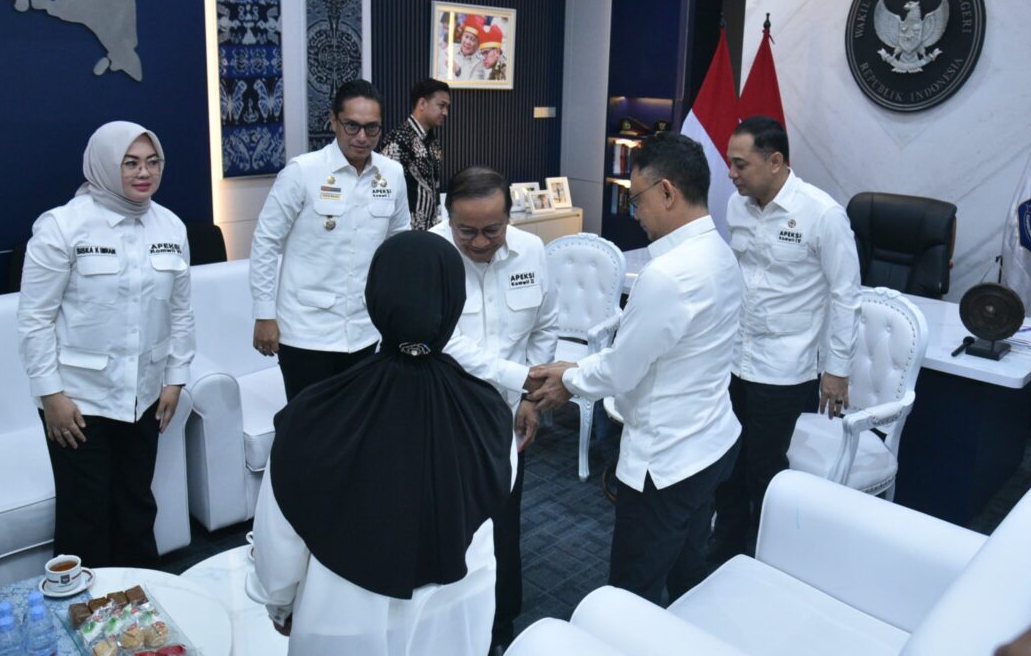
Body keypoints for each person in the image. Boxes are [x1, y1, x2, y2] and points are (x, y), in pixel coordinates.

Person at [246, 231, 513, 655]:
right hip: (457, 615)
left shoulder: (312, 417)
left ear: (372, 297)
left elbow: (279, 542)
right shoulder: (491, 413)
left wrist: (279, 605)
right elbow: (488, 506)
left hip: (343, 619)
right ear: (455, 301)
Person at [529, 133, 742, 606]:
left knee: (633, 590)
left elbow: (622, 370)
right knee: (688, 575)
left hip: (665, 461)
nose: (633, 211)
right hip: (711, 442)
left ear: (667, 192)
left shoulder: (667, 275)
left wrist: (568, 378)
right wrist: (578, 368)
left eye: (636, 198)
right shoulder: (720, 252)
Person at [18, 121, 194, 568]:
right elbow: (35, 319)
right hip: (78, 402)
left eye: (153, 162)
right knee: (85, 516)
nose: (144, 173)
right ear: (103, 165)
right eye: (130, 163)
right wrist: (50, 395)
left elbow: (181, 313)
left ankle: (141, 601)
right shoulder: (62, 226)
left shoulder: (171, 225)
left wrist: (175, 380)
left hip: (144, 395)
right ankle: (80, 607)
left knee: (137, 506)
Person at [708, 115, 861, 562]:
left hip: (784, 368)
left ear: (775, 162)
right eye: (730, 163)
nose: (731, 174)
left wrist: (837, 370)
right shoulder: (737, 206)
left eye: (740, 164)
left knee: (765, 469)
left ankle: (766, 555)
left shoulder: (822, 214)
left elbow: (846, 296)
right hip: (734, 359)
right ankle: (726, 547)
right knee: (727, 461)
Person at [431, 166, 558, 651]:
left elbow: (545, 325)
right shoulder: (430, 254)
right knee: (451, 528)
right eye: (467, 231)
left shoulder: (532, 251)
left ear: (509, 217)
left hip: (507, 417)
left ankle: (501, 627)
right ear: (447, 217)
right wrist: (520, 379)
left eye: (492, 229)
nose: (481, 242)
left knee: (504, 523)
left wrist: (529, 397)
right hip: (448, 417)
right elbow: (445, 340)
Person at [249, 79, 410, 401]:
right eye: (352, 126)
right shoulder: (303, 171)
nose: (362, 137)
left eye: (372, 128)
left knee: (356, 419)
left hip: (364, 328)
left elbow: (399, 244)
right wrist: (264, 315)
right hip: (305, 330)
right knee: (307, 421)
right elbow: (266, 242)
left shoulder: (392, 174)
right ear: (334, 121)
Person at [378, 78, 450, 231]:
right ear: (422, 104)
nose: (445, 112)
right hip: (403, 231)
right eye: (441, 105)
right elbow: (384, 191)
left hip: (430, 230)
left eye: (447, 107)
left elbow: (434, 188)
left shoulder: (434, 143)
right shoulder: (398, 139)